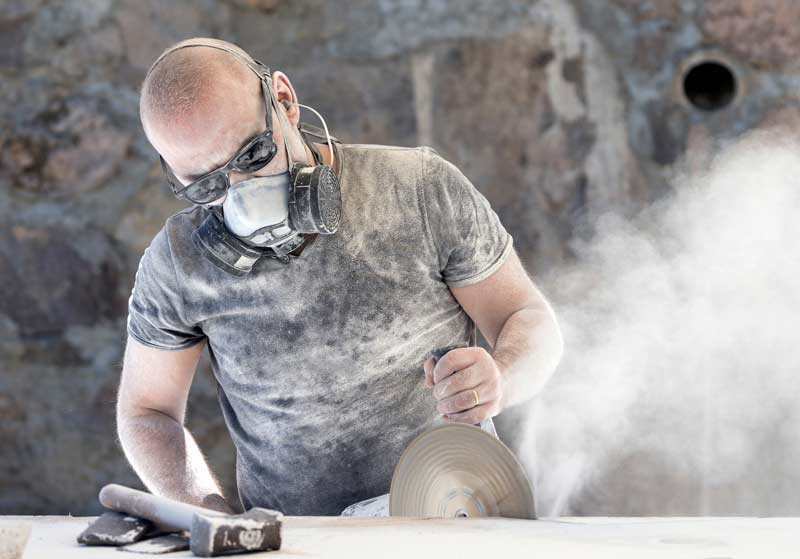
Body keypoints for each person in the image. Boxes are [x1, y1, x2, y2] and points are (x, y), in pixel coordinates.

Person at [116, 37, 564, 516]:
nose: (243, 195)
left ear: (284, 102)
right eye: (207, 185)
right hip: (295, 542)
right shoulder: (179, 262)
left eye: (253, 156)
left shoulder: (419, 189)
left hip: (454, 516)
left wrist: (502, 376)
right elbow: (147, 413)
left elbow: (527, 316)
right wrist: (207, 513)